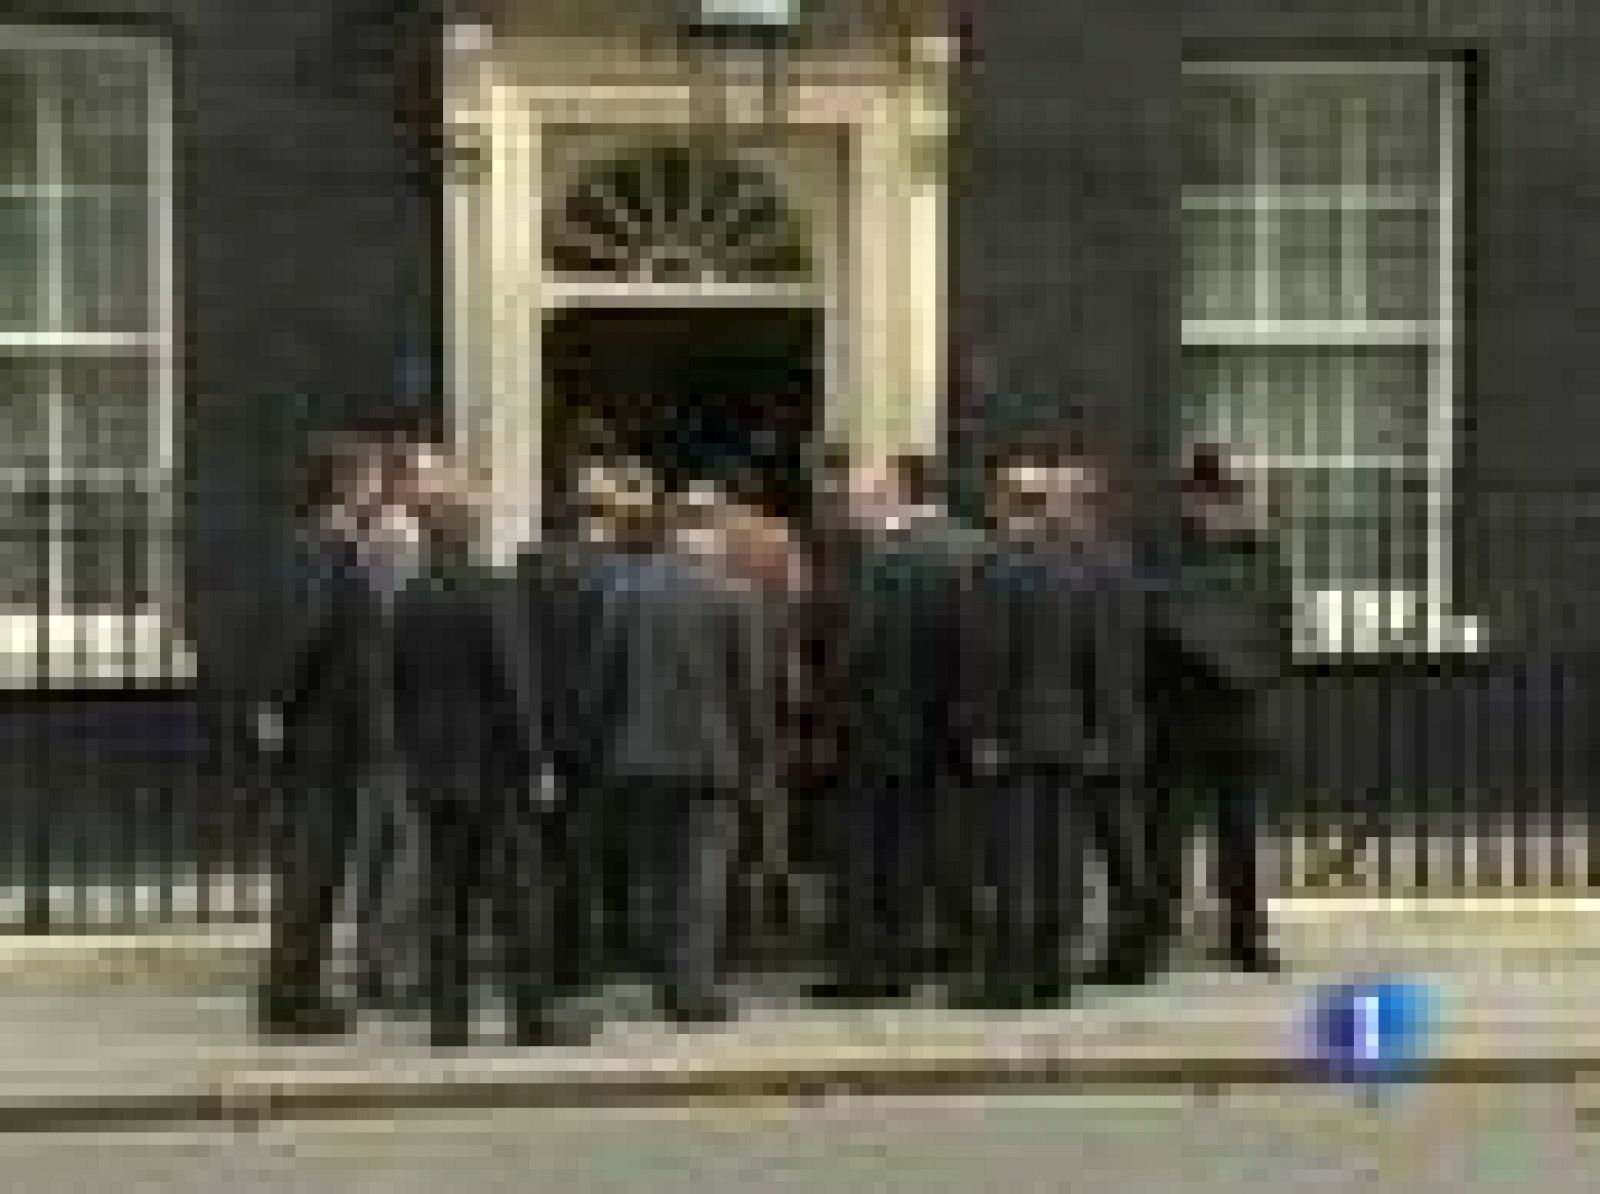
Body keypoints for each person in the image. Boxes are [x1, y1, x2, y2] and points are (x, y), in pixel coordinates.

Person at [380, 436, 578, 1047]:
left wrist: (411, 756)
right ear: (467, 533)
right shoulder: (493, 591)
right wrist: (538, 759)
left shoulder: (409, 600)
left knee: (447, 901)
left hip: (436, 772)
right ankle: (532, 1018)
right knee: (519, 896)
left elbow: (396, 688)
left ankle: (448, 1022)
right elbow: (514, 681)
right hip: (497, 769)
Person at [953, 437, 1150, 1008]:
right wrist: (1098, 730)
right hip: (1071, 735)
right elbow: (1101, 659)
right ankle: (1053, 972)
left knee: (1015, 859)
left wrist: (981, 732)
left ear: (1005, 503)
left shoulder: (995, 567)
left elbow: (986, 660)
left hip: (1014, 736)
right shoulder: (1078, 569)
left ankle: (1012, 978)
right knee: (1061, 856)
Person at [567, 481, 771, 1026]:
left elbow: (602, 678)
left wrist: (599, 743)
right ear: (712, 529)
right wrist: (758, 764)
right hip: (712, 759)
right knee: (703, 874)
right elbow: (750, 691)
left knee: (655, 874)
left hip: (641, 757)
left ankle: (663, 977)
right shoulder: (735, 596)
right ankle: (693, 989)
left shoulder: (629, 590)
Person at [808, 452, 976, 1003]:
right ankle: (938, 948)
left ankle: (871, 966)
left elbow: (858, 648)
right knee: (933, 844)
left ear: (904, 491)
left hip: (879, 727)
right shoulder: (973, 550)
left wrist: (832, 708)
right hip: (950, 729)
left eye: (881, 488)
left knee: (868, 852)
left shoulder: (884, 559)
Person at [250, 429, 398, 1038]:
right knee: (314, 870)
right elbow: (306, 635)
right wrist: (277, 705)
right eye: (369, 479)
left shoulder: (311, 546)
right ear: (343, 487)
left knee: (311, 868)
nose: (378, 490)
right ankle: (292, 998)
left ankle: (292, 991)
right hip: (324, 737)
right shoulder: (328, 550)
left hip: (319, 733)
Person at [1135, 445, 1289, 978]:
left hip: (1197, 714)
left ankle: (1180, 936)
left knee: (1191, 833)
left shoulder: (1167, 555)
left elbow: (1156, 627)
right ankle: (1237, 938)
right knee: (1206, 832)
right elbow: (1275, 632)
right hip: (1223, 712)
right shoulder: (1259, 554)